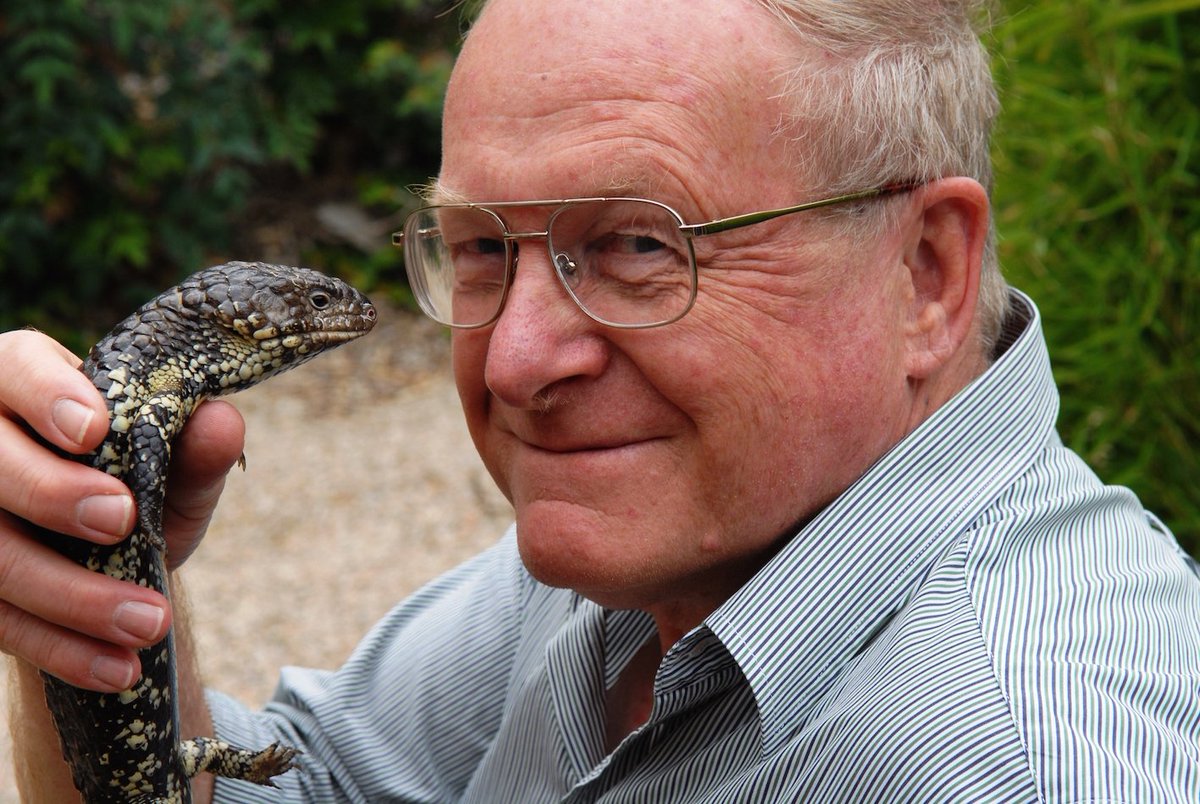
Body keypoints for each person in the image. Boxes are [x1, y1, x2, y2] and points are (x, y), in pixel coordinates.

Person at [5, 0, 1199, 800]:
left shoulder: (1012, 757)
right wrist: (91, 581)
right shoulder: (655, 556)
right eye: (479, 249)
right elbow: (301, 785)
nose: (515, 361)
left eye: (637, 244)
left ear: (925, 275)